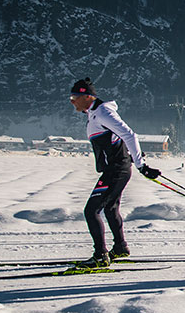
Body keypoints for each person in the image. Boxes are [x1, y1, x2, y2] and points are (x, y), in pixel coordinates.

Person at [69, 78, 161, 268]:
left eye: (75, 97)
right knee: (110, 208)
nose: (72, 101)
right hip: (116, 168)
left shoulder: (102, 112)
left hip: (117, 170)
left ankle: (100, 256)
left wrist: (141, 164)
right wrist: (129, 152)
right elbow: (117, 137)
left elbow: (129, 134)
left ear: (88, 96)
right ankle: (120, 247)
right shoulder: (94, 112)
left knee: (91, 210)